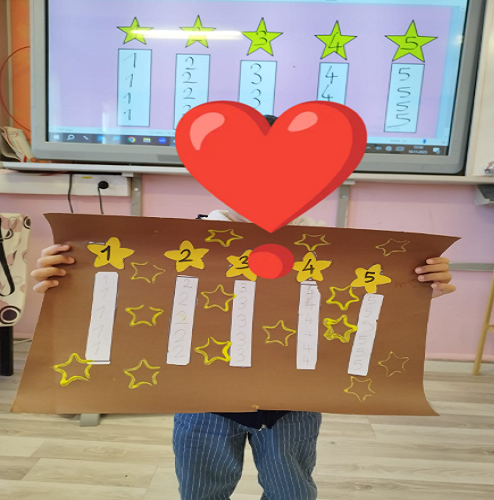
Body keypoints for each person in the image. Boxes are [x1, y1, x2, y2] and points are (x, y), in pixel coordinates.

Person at [31, 117, 456, 500]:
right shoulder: (183, 243)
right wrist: (66, 276)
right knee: (202, 489)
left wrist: (420, 287)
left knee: (292, 490)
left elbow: (365, 308)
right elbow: (125, 298)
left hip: (293, 401)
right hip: (203, 400)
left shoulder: (331, 249)